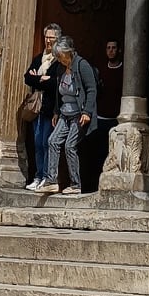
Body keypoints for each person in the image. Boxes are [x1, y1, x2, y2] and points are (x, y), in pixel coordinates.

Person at [38, 36, 97, 196]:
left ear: (68, 52)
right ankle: (51, 181)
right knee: (53, 141)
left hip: (79, 114)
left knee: (70, 145)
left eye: (61, 55)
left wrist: (87, 112)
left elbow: (91, 89)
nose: (59, 59)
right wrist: (57, 111)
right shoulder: (60, 68)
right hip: (65, 112)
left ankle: (76, 184)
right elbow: (59, 93)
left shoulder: (82, 65)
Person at [23, 22, 62, 190]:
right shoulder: (39, 58)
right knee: (37, 143)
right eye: (46, 37)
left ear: (57, 39)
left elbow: (56, 83)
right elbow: (27, 77)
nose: (48, 41)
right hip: (36, 107)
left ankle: (48, 177)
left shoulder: (59, 60)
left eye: (51, 38)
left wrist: (40, 79)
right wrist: (42, 79)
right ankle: (38, 176)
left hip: (50, 108)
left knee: (48, 143)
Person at [94, 38, 124, 180]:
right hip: (101, 118)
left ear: (119, 50)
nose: (111, 51)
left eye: (113, 47)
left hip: (117, 120)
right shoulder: (100, 69)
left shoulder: (125, 70)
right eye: (108, 48)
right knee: (99, 153)